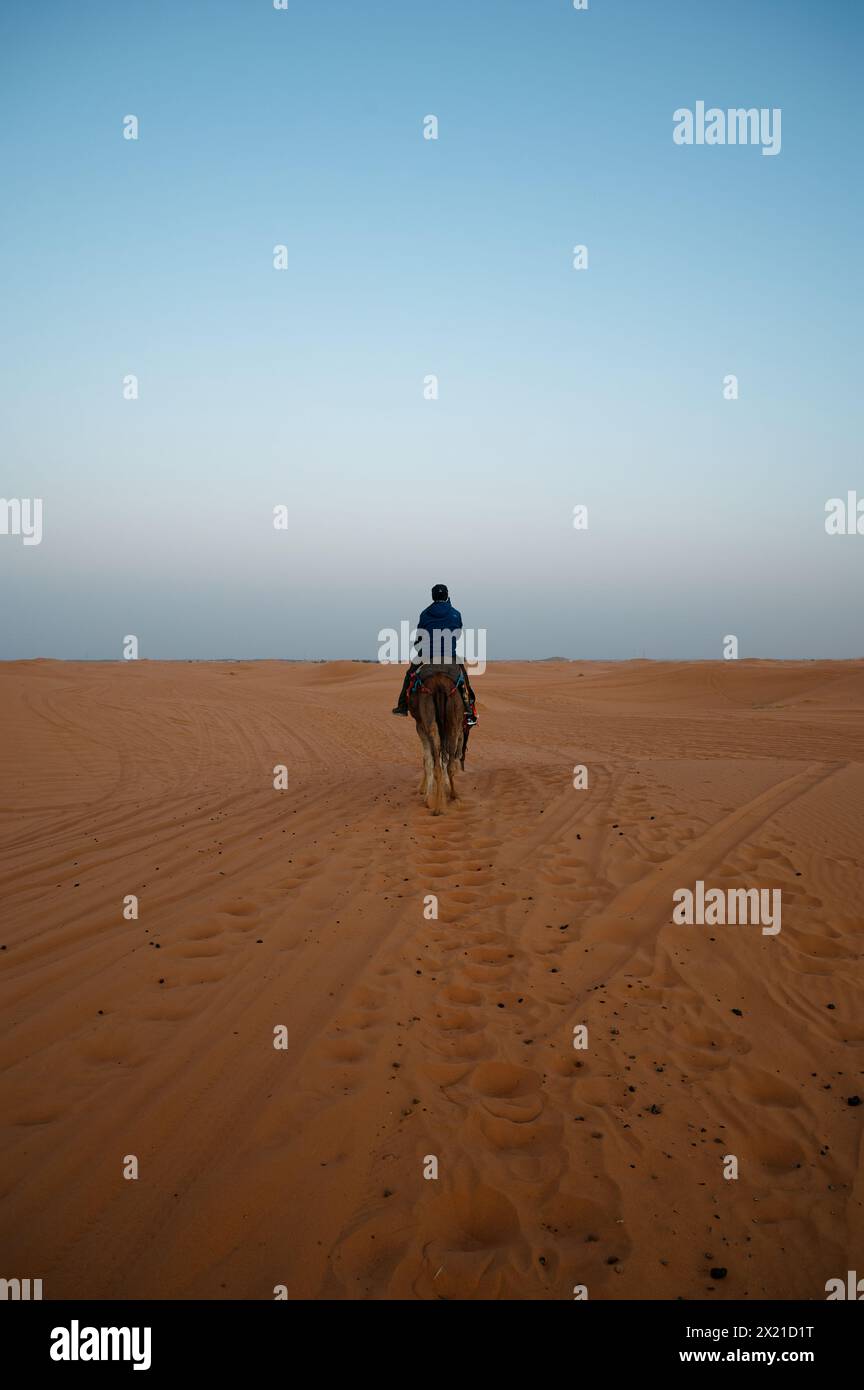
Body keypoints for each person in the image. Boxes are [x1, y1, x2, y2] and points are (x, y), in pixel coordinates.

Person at [392, 583, 478, 724]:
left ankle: (402, 706)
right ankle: (469, 709)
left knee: (410, 674)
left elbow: (420, 635)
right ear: (447, 595)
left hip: (427, 655)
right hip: (449, 656)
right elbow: (457, 634)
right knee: (464, 678)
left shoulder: (425, 613)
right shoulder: (456, 613)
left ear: (433, 596)